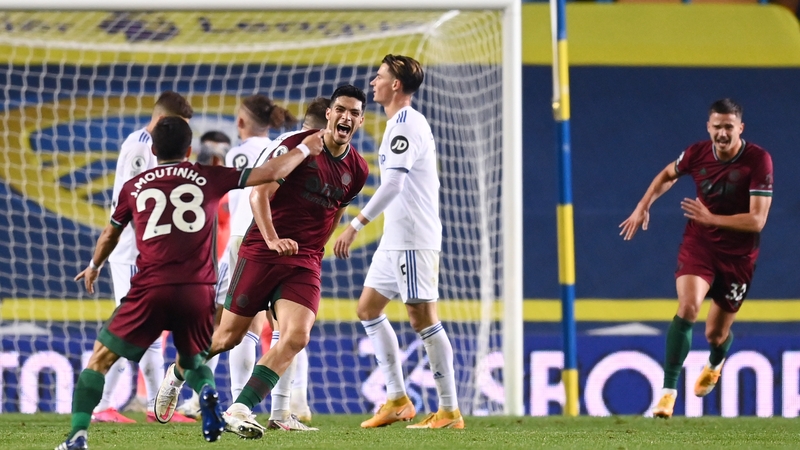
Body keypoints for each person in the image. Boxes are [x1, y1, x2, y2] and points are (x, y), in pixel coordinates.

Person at [57, 116, 325, 450]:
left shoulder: (134, 186)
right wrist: (304, 148)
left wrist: (95, 265)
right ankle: (209, 396)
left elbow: (111, 232)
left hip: (150, 286)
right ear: (188, 149)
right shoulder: (208, 176)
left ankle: (77, 436)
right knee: (196, 355)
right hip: (198, 289)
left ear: (153, 150)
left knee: (99, 360)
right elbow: (270, 173)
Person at [154, 85, 369, 438]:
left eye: (354, 112)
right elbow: (259, 194)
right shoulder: (299, 147)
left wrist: (316, 249)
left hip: (303, 261)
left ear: (359, 120)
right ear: (329, 113)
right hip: (262, 251)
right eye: (341, 109)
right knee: (227, 337)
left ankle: (240, 408)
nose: (346, 117)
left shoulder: (357, 170)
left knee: (296, 336)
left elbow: (335, 213)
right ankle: (177, 373)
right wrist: (271, 239)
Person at [619, 98, 774, 418]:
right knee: (688, 307)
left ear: (740, 128)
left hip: (739, 256)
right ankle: (667, 393)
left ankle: (716, 361)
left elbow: (757, 221)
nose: (722, 133)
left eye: (728, 127)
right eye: (717, 126)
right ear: (708, 127)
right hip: (700, 244)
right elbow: (667, 174)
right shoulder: (696, 153)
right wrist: (643, 204)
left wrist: (711, 218)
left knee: (715, 334)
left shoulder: (759, 160)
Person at [333, 55, 464, 430]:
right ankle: (396, 398)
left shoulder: (406, 124)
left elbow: (394, 183)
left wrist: (355, 224)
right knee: (368, 309)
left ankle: (450, 410)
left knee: (422, 318)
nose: (373, 81)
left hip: (413, 237)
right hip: (396, 237)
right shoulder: (396, 124)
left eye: (379, 76)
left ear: (395, 85)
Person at [176, 97, 297, 419]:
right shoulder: (281, 149)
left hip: (242, 239)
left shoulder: (237, 153)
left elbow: (232, 199)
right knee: (265, 327)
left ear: (241, 123)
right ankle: (268, 405)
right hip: (270, 237)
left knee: (232, 325)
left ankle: (212, 396)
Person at [92, 91, 196, 425]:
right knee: (132, 324)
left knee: (149, 325)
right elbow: (132, 198)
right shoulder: (140, 146)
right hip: (133, 249)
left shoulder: (147, 144)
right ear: (163, 119)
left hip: (145, 249)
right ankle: (103, 405)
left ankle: (153, 406)